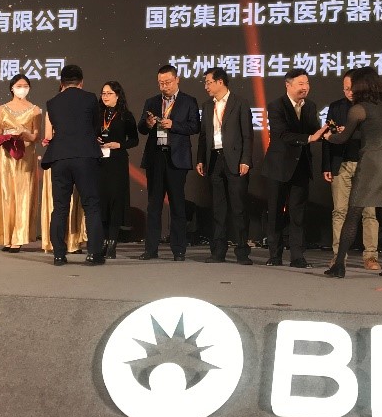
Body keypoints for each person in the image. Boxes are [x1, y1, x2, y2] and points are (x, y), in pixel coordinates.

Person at [323, 67, 382, 278]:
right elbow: (375, 131)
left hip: (370, 166)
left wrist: (329, 136)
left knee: (353, 214)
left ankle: (339, 266)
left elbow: (343, 138)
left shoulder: (359, 109)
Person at [261, 68, 330, 268]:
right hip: (278, 167)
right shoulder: (276, 106)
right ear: (288, 85)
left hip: (301, 167)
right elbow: (282, 135)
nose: (305, 87)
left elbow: (314, 131)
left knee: (298, 214)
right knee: (275, 212)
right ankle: (275, 255)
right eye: (301, 84)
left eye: (307, 83)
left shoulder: (310, 106)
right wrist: (310, 137)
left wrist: (327, 133)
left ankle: (298, 257)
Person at [40, 64, 105, 266]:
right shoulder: (90, 98)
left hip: (60, 157)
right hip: (85, 156)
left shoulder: (52, 102)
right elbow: (96, 126)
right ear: (81, 82)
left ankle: (59, 255)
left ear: (61, 83)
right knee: (91, 205)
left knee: (60, 206)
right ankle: (94, 254)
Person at [136, 65, 201, 261]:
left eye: (168, 82)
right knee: (154, 205)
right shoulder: (152, 101)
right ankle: (151, 249)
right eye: (161, 83)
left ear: (177, 80)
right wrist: (147, 124)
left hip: (177, 159)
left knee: (177, 205)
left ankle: (178, 249)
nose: (164, 86)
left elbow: (195, 126)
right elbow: (141, 128)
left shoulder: (188, 101)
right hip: (156, 157)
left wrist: (174, 125)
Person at [322, 71, 380, 271]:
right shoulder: (336, 107)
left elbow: (375, 137)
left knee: (370, 213)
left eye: (352, 88)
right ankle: (339, 256)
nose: (349, 92)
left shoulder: (371, 108)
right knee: (339, 211)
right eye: (345, 88)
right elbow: (327, 137)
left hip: (367, 166)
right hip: (341, 164)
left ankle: (370, 256)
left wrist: (346, 132)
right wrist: (326, 166)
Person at [196, 67, 253, 265]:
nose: (206, 86)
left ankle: (242, 252)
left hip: (235, 160)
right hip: (214, 159)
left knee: (238, 208)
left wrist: (246, 159)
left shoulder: (240, 102)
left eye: (208, 82)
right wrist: (201, 159)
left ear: (220, 82)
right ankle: (218, 252)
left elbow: (247, 134)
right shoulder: (207, 105)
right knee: (218, 209)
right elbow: (203, 136)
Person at [0, 75, 41, 253]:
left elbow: (35, 137)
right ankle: (7, 237)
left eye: (25, 86)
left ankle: (19, 238)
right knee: (7, 194)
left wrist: (23, 134)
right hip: (6, 155)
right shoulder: (2, 108)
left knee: (23, 194)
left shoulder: (35, 110)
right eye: (19, 85)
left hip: (25, 155)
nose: (22, 88)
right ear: (12, 88)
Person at [97, 81, 139, 259]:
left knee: (115, 202)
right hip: (99, 162)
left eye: (109, 93)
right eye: (103, 93)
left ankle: (112, 243)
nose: (105, 96)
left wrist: (119, 144)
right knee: (101, 202)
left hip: (117, 162)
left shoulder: (125, 116)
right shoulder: (97, 114)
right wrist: (95, 138)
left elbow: (134, 140)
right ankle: (103, 241)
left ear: (117, 95)